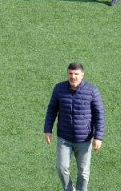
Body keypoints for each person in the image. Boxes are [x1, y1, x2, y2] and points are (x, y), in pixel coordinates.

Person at [44, 63, 106, 191]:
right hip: (64, 138)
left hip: (84, 139)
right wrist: (47, 129)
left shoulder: (92, 91)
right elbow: (52, 110)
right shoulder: (59, 88)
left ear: (82, 75)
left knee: (83, 173)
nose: (73, 77)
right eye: (70, 74)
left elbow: (99, 114)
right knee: (61, 168)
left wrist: (98, 137)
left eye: (76, 74)